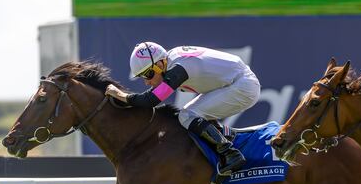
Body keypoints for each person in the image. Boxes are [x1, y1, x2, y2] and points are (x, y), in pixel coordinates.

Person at [105, 42, 261, 175]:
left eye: (148, 74)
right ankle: (224, 141)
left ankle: (230, 153)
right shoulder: (170, 60)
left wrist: (121, 95)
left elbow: (152, 100)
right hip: (234, 81)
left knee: (187, 116)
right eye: (142, 77)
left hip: (243, 86)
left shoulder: (179, 68)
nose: (146, 82)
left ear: (160, 65)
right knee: (189, 115)